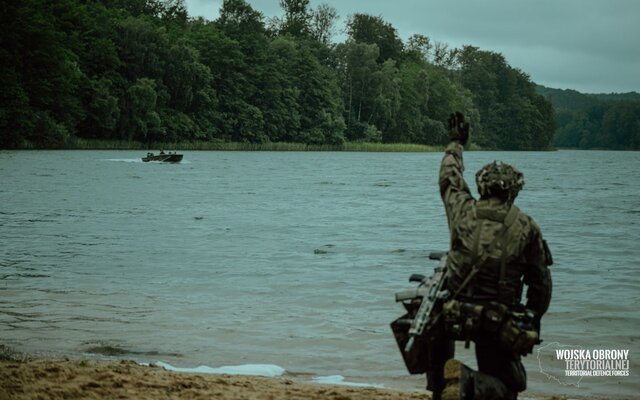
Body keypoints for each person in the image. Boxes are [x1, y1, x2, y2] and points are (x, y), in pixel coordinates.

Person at [426, 112, 553, 400]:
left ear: (481, 187)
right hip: (497, 319)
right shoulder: (526, 226)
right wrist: (531, 318)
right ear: (514, 192)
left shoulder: (462, 209)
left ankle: (445, 385)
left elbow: (449, 176)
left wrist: (456, 143)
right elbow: (540, 284)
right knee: (510, 387)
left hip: (453, 312)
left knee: (442, 373)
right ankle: (467, 383)